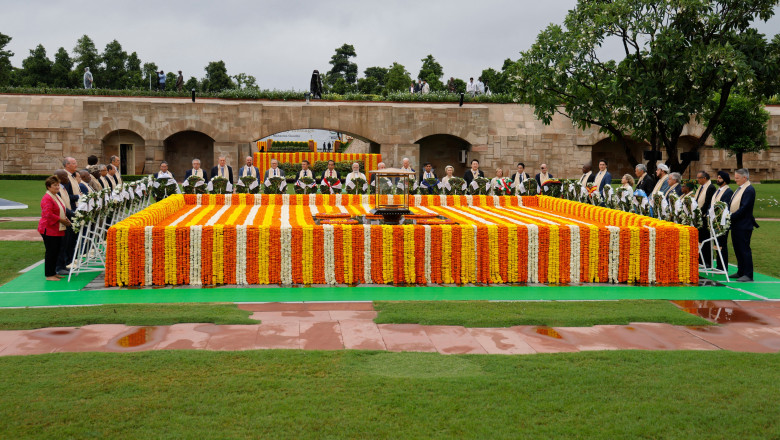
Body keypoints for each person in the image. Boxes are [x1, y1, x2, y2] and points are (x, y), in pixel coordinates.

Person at [38, 176, 72, 281]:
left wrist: (65, 218)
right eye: (54, 185)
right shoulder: (47, 198)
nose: (57, 187)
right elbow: (48, 214)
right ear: (48, 187)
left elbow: (61, 209)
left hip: (56, 228)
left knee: (56, 251)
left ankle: (53, 272)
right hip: (49, 229)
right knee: (51, 252)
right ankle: (49, 274)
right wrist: (61, 220)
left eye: (58, 185)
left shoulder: (56, 196)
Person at [729, 169, 758, 282]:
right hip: (736, 224)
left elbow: (744, 208)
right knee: (737, 248)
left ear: (744, 178)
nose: (735, 180)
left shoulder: (749, 189)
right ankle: (741, 271)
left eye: (737, 178)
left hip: (743, 224)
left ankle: (748, 274)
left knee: (744, 249)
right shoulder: (740, 188)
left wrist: (730, 217)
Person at [694, 171, 717, 268]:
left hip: (704, 217)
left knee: (706, 239)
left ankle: (708, 261)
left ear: (704, 178)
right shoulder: (701, 187)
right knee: (700, 239)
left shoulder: (710, 187)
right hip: (699, 216)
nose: (698, 180)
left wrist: (699, 212)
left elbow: (707, 202)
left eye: (699, 178)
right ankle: (701, 259)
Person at [712, 171, 734, 271]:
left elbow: (724, 206)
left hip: (722, 222)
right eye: (718, 177)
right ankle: (719, 265)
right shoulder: (718, 190)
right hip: (714, 220)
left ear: (725, 180)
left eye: (720, 178)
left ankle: (723, 266)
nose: (718, 179)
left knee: (722, 244)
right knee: (716, 244)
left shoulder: (728, 191)